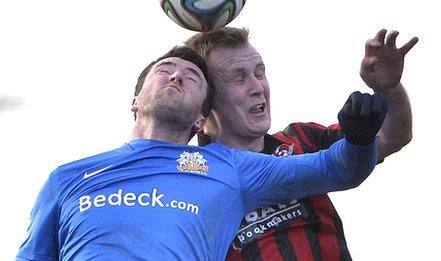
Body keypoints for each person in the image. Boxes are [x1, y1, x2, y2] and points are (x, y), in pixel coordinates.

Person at [16, 46, 386, 260]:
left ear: (199, 119)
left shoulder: (227, 168)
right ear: (134, 101)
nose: (177, 76)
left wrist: (358, 137)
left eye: (192, 77)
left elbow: (336, 169)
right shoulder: (67, 177)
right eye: (165, 70)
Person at [185, 28, 418, 260]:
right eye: (239, 78)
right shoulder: (187, 185)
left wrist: (389, 90)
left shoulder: (301, 138)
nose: (258, 88)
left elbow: (392, 137)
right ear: (204, 101)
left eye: (260, 73)